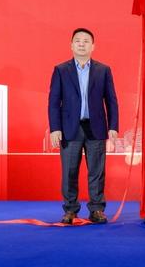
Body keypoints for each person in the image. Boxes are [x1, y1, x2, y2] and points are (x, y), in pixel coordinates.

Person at [48, 28, 119, 224]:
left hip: (96, 127)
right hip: (69, 128)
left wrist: (113, 125)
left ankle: (97, 209)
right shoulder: (61, 70)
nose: (81, 44)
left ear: (93, 46)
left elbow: (111, 100)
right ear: (71, 45)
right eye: (78, 40)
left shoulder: (103, 70)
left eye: (86, 41)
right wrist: (55, 128)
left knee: (97, 171)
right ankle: (70, 210)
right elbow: (54, 102)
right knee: (69, 171)